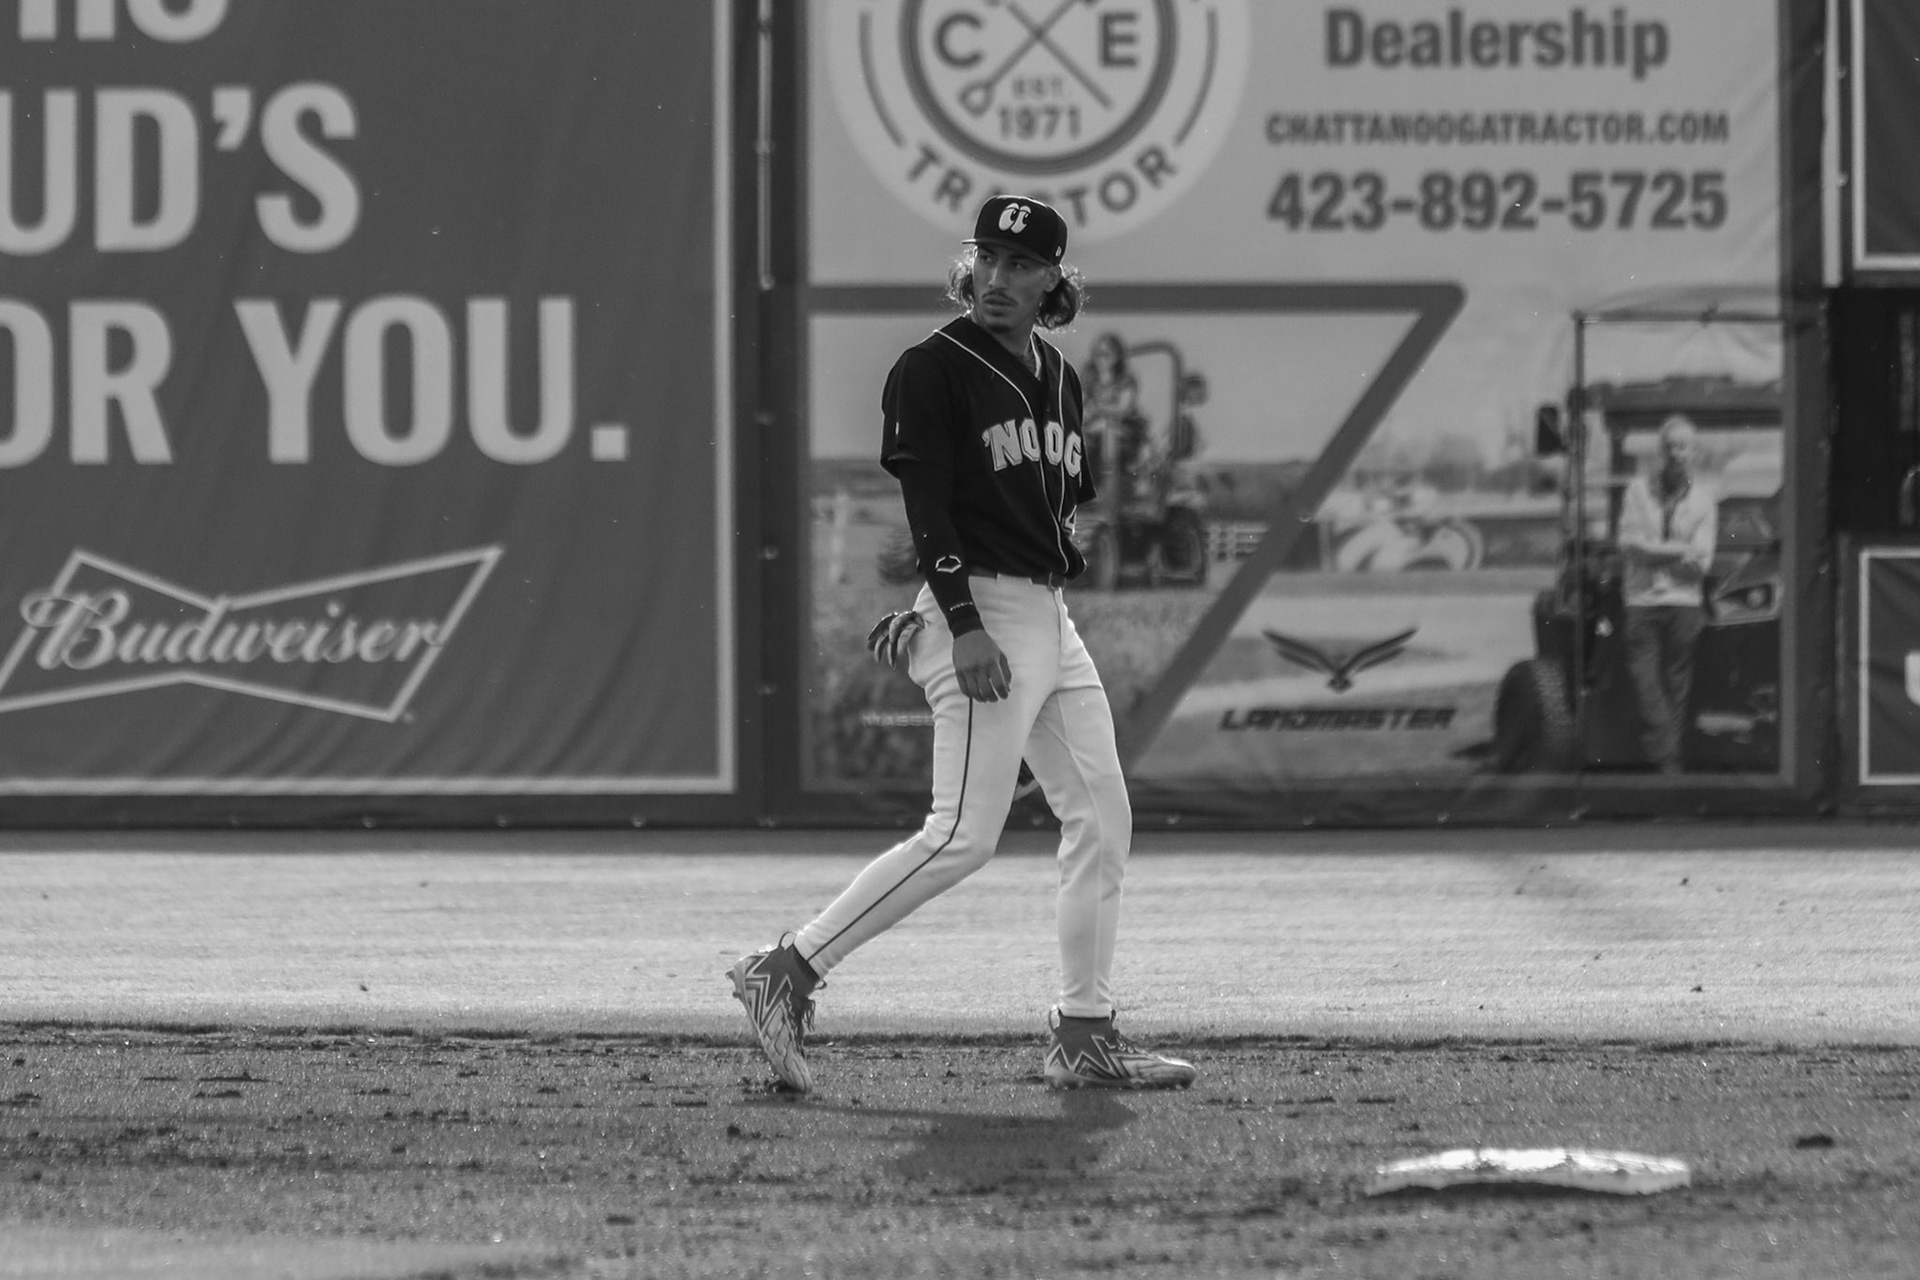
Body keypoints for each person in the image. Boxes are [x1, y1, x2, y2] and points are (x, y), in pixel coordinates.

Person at [729, 195, 1197, 1094]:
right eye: (986, 257)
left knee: (1102, 820)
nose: (997, 277)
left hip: (1046, 618)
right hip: (981, 613)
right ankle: (784, 970)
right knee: (962, 835)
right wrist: (957, 620)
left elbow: (1053, 509)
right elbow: (929, 506)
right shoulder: (931, 367)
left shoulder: (1060, 377)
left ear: (1055, 278)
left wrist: (961, 612)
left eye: (1021, 264)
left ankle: (1084, 1031)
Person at [1616, 414, 1718, 773]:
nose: (1676, 453)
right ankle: (1667, 752)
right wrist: (1678, 550)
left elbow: (1701, 563)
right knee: (1645, 680)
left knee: (1677, 683)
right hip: (1642, 601)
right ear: (1661, 451)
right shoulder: (1637, 491)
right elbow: (1628, 547)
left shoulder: (1705, 501)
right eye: (1670, 446)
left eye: (1683, 446)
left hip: (1684, 603)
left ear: (1694, 453)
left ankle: (1665, 766)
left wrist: (1653, 550)